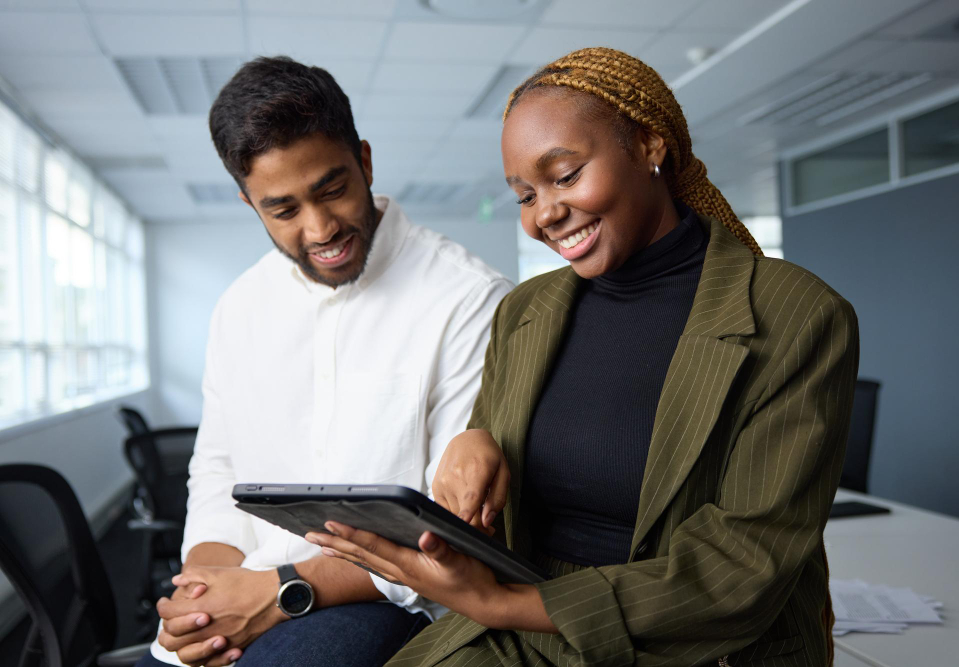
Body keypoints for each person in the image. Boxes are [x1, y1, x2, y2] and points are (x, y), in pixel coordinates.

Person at [307, 47, 859, 667]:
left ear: (651, 146)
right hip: (523, 632)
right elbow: (501, 456)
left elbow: (742, 568)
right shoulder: (526, 311)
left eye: (565, 175)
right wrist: (476, 445)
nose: (545, 213)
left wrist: (502, 606)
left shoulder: (796, 314)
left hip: (689, 645)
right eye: (523, 196)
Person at [135, 56, 513, 667]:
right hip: (243, 588)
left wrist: (280, 591)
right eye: (283, 210)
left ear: (364, 162)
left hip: (388, 599)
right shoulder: (240, 307)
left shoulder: (469, 299)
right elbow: (217, 468)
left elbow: (450, 531)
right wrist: (202, 595)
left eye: (332, 189)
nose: (320, 228)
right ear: (249, 203)